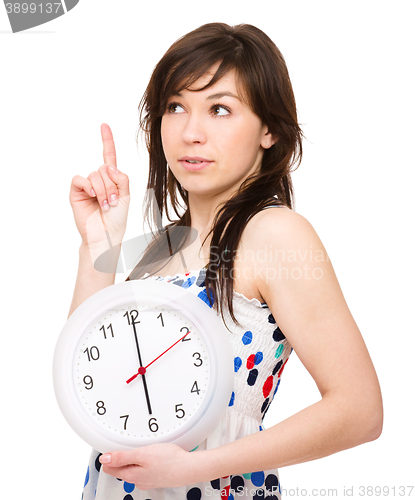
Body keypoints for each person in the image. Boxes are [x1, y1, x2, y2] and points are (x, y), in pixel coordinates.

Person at [68, 22, 383, 500]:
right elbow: (87, 389)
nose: (191, 133)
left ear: (270, 129)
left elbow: (360, 411)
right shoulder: (162, 246)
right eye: (176, 107)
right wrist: (98, 245)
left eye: (219, 109)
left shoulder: (274, 234)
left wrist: (197, 467)